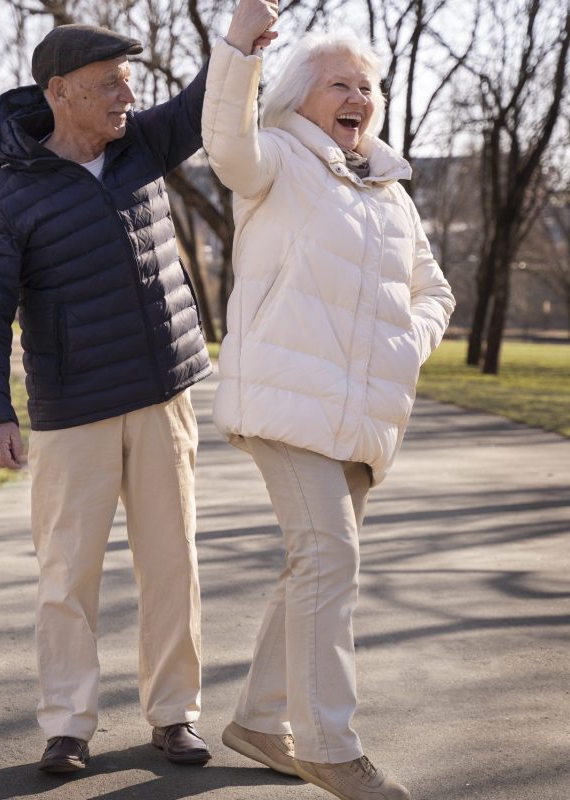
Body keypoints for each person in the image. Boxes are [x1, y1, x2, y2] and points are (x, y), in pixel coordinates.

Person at [0, 5, 277, 775]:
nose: (126, 97)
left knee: (173, 563)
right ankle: (68, 723)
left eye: (129, 82)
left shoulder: (139, 147)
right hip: (73, 411)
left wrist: (237, 45)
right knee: (68, 573)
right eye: (109, 85)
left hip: (163, 394)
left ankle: (174, 715)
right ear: (60, 92)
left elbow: (205, 103)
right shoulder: (5, 193)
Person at [201, 14, 455, 800]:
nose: (358, 97)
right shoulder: (275, 158)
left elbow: (434, 289)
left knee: (311, 564)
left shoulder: (389, 192)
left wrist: (405, 344)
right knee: (330, 559)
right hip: (284, 404)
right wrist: (241, 47)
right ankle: (329, 747)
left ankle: (257, 720)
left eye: (367, 87)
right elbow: (225, 140)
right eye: (339, 83)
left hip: (361, 416)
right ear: (301, 98)